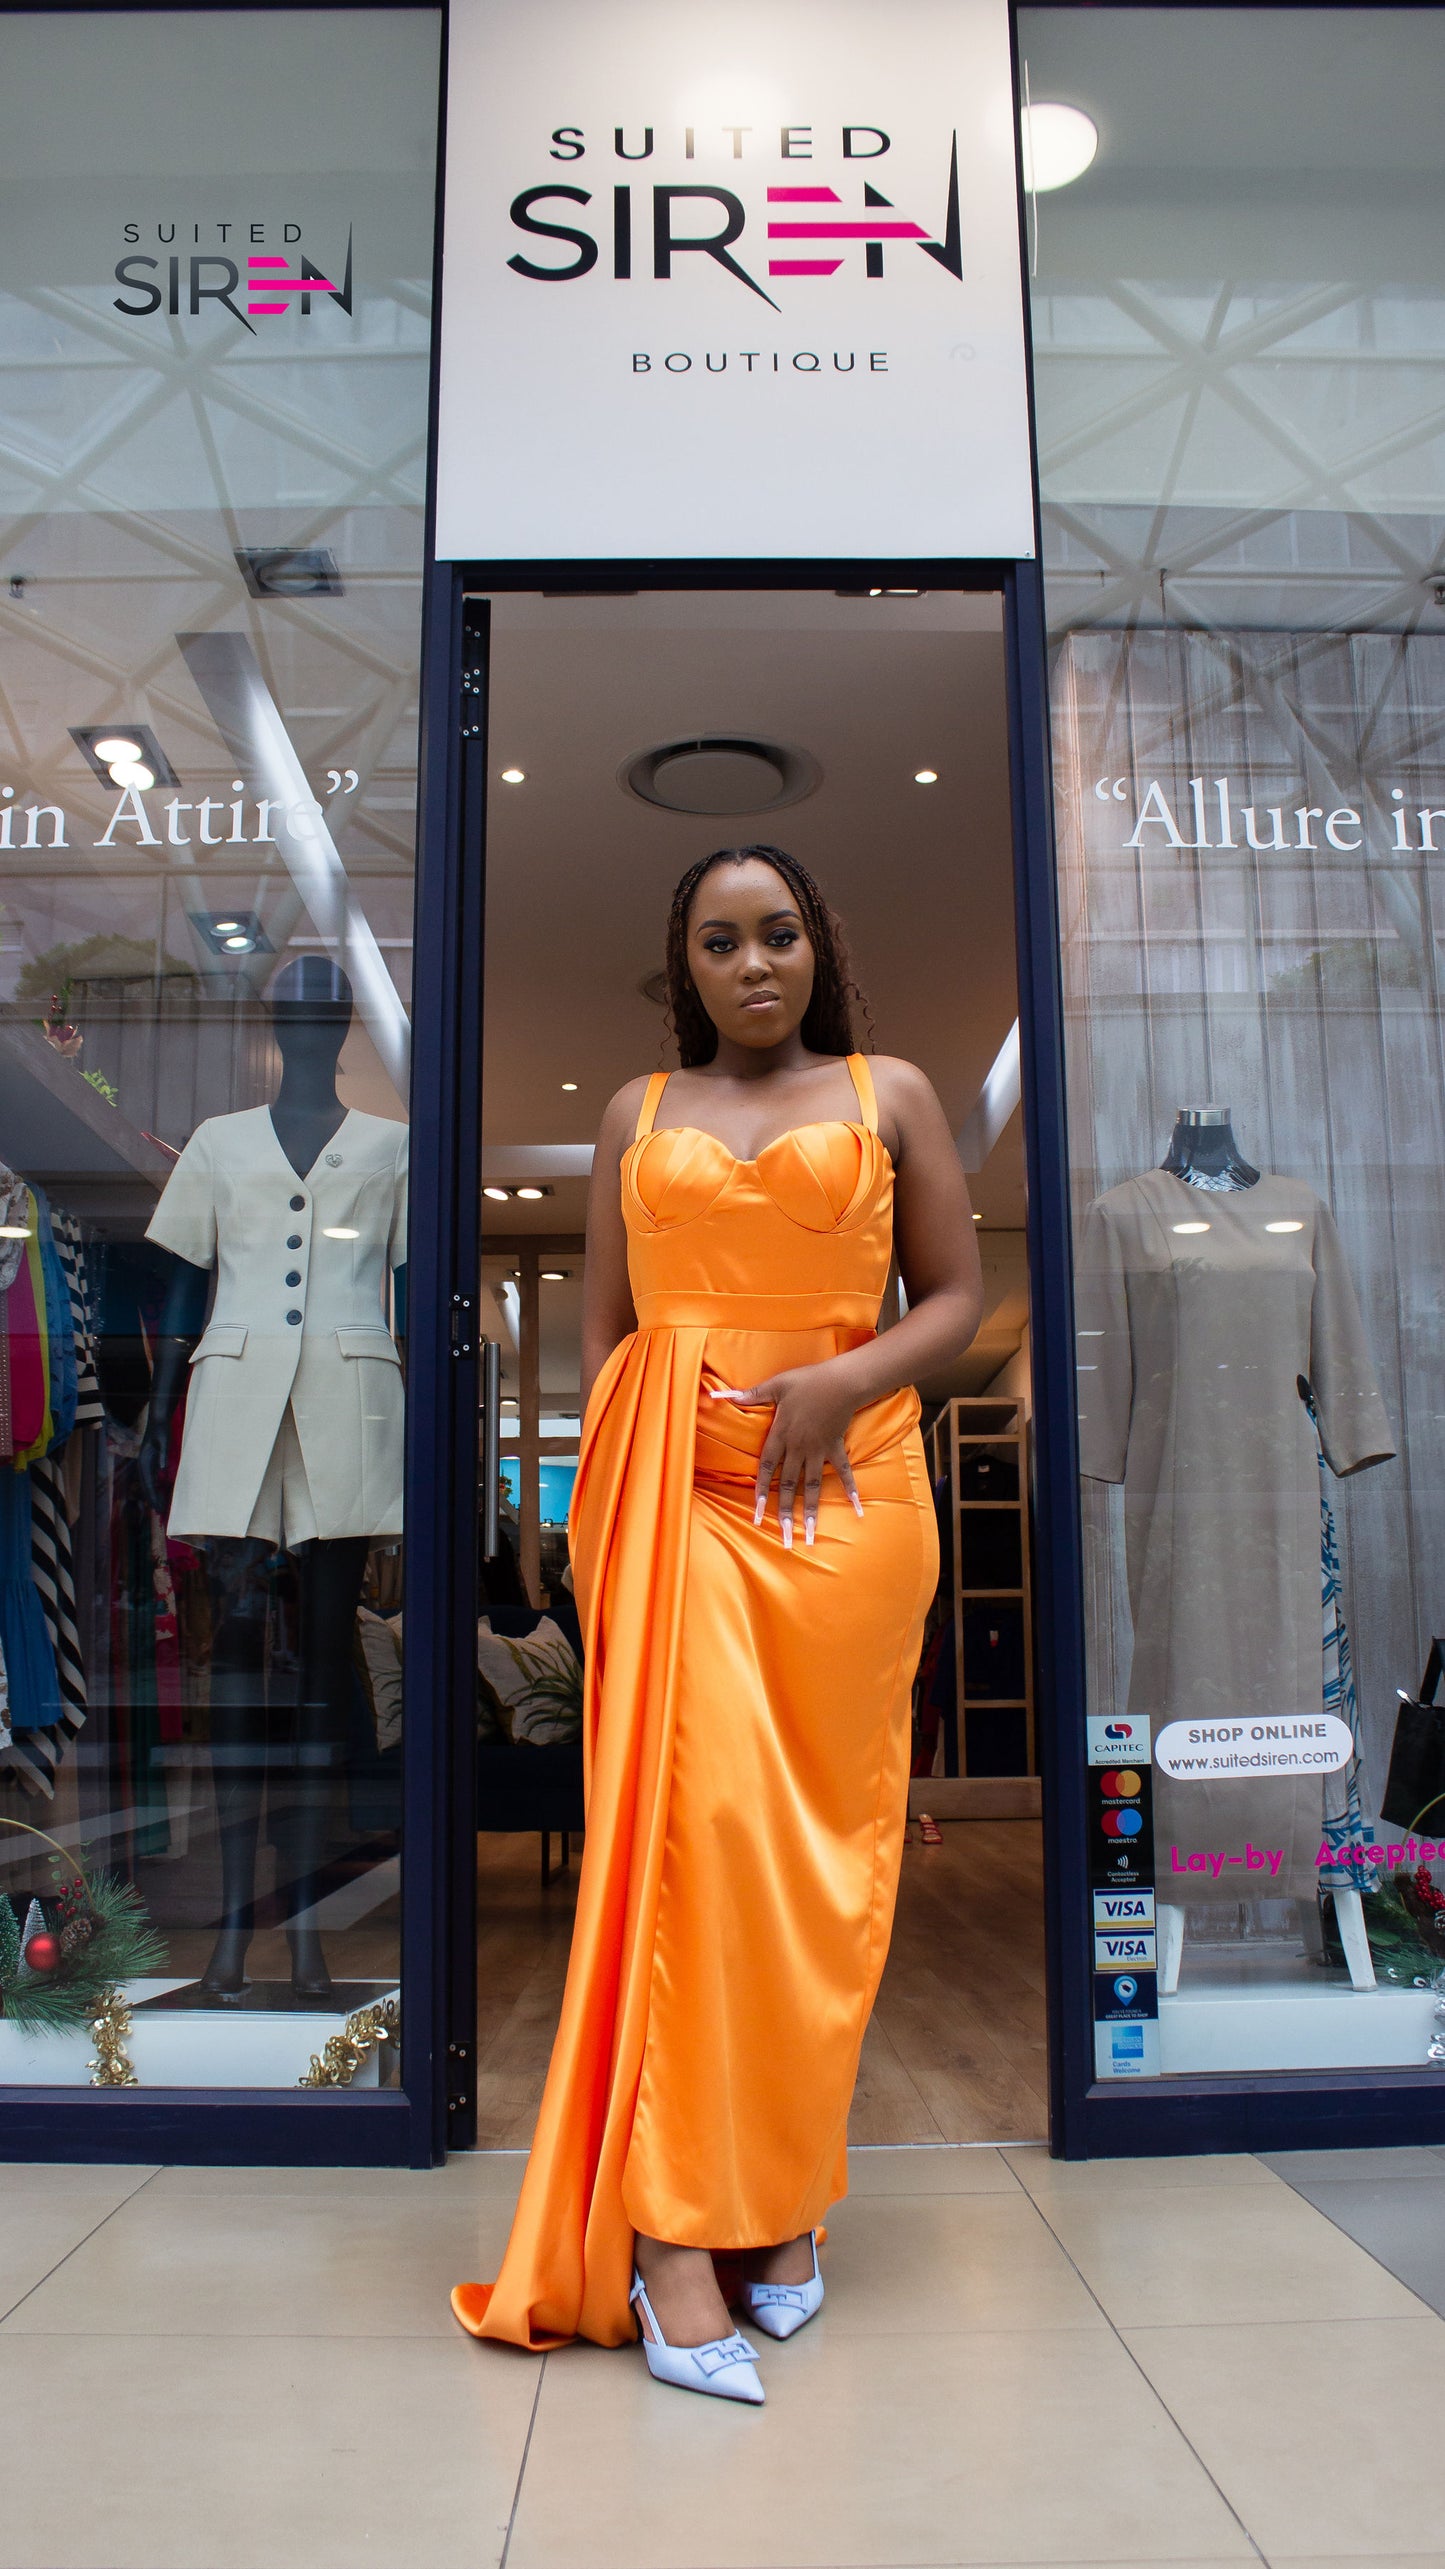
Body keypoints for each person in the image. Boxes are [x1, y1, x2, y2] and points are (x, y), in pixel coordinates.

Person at [452, 844, 983, 2402]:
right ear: (679, 964)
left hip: (846, 1508)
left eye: (778, 933)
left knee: (819, 1870)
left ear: (817, 943)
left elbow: (949, 1295)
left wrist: (839, 1375)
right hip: (677, 1501)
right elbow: (610, 1333)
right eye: (718, 940)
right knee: (694, 1848)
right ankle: (678, 2233)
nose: (753, 963)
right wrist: (661, 1447)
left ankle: (786, 2192)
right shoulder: (637, 1113)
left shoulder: (894, 1094)